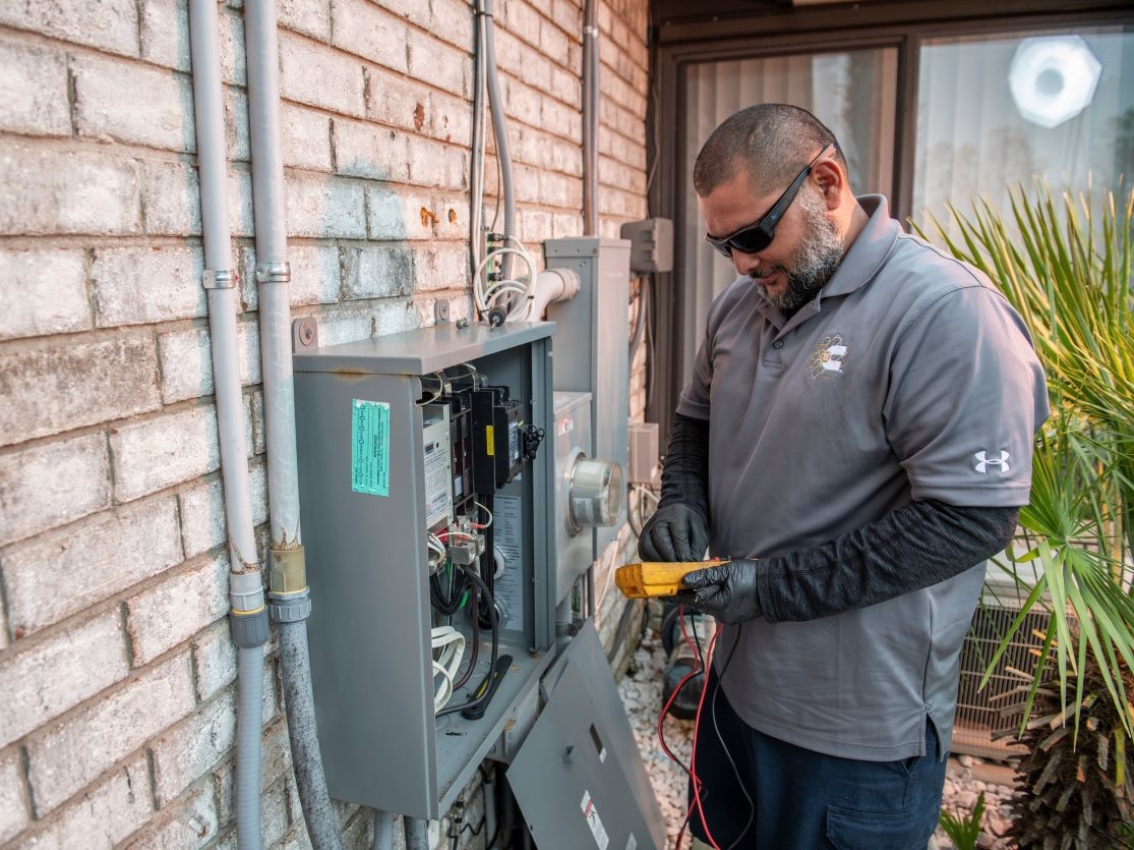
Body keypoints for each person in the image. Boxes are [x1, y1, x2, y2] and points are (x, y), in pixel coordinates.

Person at [640, 104, 1048, 850]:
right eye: (722, 244)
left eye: (755, 237)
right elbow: (694, 423)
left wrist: (770, 587)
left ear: (825, 183)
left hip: (852, 734)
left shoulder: (946, 314)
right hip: (732, 690)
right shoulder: (740, 306)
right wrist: (681, 496)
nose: (740, 264)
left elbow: (970, 520)